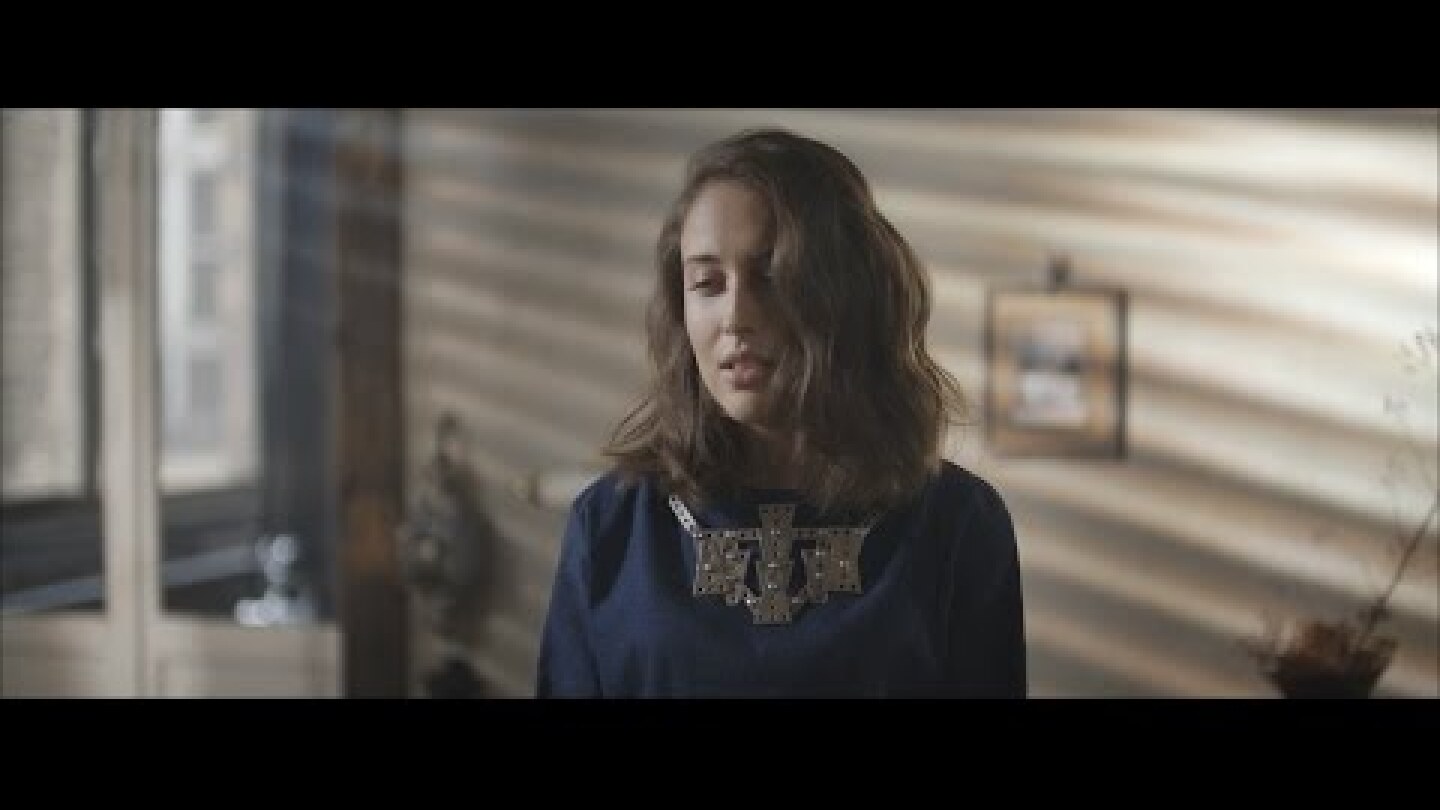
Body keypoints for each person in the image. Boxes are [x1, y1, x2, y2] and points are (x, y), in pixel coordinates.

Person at [535, 127, 1026, 698]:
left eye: (770, 276)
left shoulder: (955, 524)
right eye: (707, 283)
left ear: (849, 293)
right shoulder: (612, 526)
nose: (734, 317)